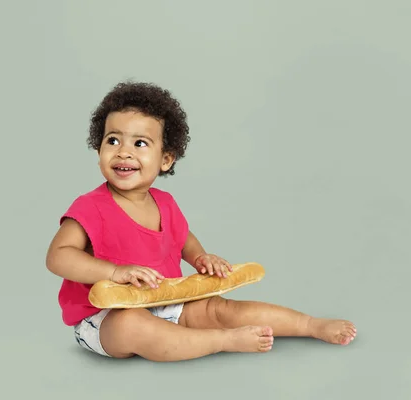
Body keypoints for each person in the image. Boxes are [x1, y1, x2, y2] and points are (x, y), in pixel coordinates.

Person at [45, 81, 357, 362]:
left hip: (165, 299)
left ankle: (310, 324)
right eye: (113, 140)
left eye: (140, 144)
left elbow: (183, 239)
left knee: (219, 307)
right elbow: (59, 256)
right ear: (98, 147)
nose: (123, 152)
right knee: (132, 326)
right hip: (105, 317)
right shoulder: (90, 207)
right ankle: (221, 341)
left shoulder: (165, 204)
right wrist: (114, 272)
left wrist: (200, 257)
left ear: (166, 159)